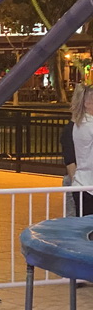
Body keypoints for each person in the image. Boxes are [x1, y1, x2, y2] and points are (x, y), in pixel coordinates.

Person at [70, 83, 93, 215]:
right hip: (88, 187)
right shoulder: (88, 124)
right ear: (86, 103)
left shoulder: (81, 123)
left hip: (83, 185)